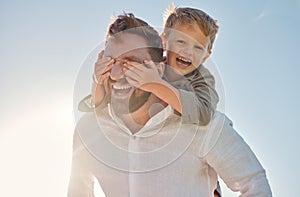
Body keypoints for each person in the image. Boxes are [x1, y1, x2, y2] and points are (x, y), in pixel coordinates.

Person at [68, 13, 272, 196]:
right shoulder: (89, 130)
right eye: (110, 62)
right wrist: (98, 84)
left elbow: (254, 183)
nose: (116, 74)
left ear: (158, 68)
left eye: (130, 64)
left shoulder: (204, 119)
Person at [78, 5, 219, 125]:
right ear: (164, 41)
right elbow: (99, 104)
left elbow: (204, 114)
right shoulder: (152, 64)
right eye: (181, 42)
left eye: (198, 48)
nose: (188, 52)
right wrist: (97, 81)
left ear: (206, 55)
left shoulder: (202, 78)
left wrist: (154, 84)